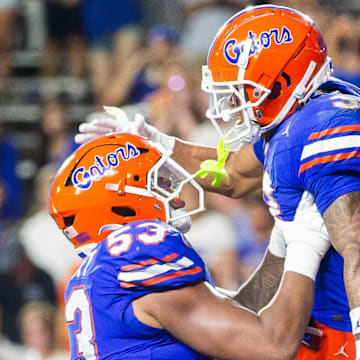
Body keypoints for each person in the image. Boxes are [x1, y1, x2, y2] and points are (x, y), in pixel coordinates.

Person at [74, 5, 360, 359]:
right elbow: (233, 176)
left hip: (341, 331)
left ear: (282, 80)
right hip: (317, 328)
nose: (234, 102)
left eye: (243, 88)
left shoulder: (321, 125)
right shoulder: (294, 125)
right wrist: (159, 143)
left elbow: (356, 246)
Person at [49, 132, 329, 359]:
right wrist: (307, 245)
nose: (178, 196)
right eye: (158, 183)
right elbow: (270, 345)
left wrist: (281, 244)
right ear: (121, 206)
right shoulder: (136, 248)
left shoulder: (100, 272)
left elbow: (235, 316)